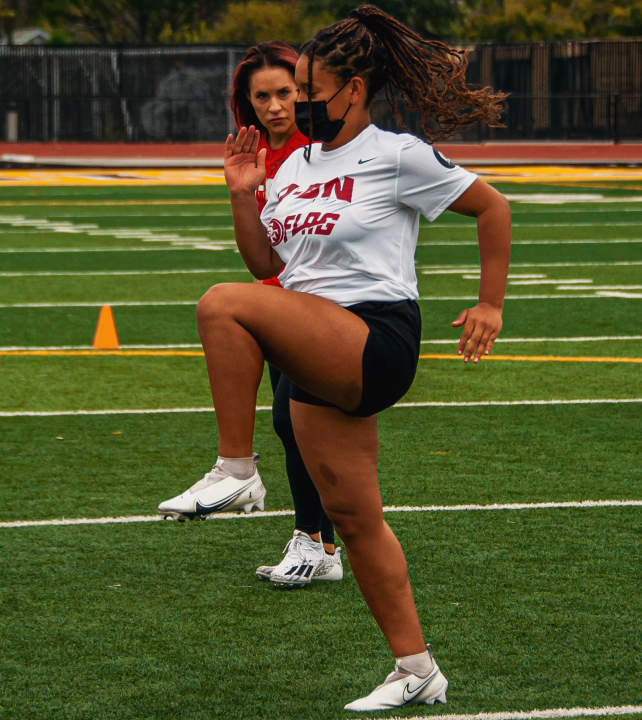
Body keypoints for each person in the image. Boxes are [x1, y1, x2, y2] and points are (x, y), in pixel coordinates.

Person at [199, 6, 510, 711]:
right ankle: (417, 667)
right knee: (356, 518)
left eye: (310, 90)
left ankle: (238, 472)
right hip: (320, 345)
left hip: (375, 337)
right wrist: (244, 195)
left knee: (220, 304)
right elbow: (263, 264)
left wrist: (489, 304)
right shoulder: (294, 166)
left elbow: (493, 208)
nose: (299, 104)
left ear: (354, 90)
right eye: (291, 91)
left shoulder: (396, 153)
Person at [156, 40, 345, 589]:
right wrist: (241, 195)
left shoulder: (324, 149)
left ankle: (315, 539)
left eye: (285, 92)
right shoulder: (254, 151)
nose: (275, 106)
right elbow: (259, 250)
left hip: (321, 302)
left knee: (298, 422)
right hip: (276, 298)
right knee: (293, 426)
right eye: (260, 96)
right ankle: (314, 541)